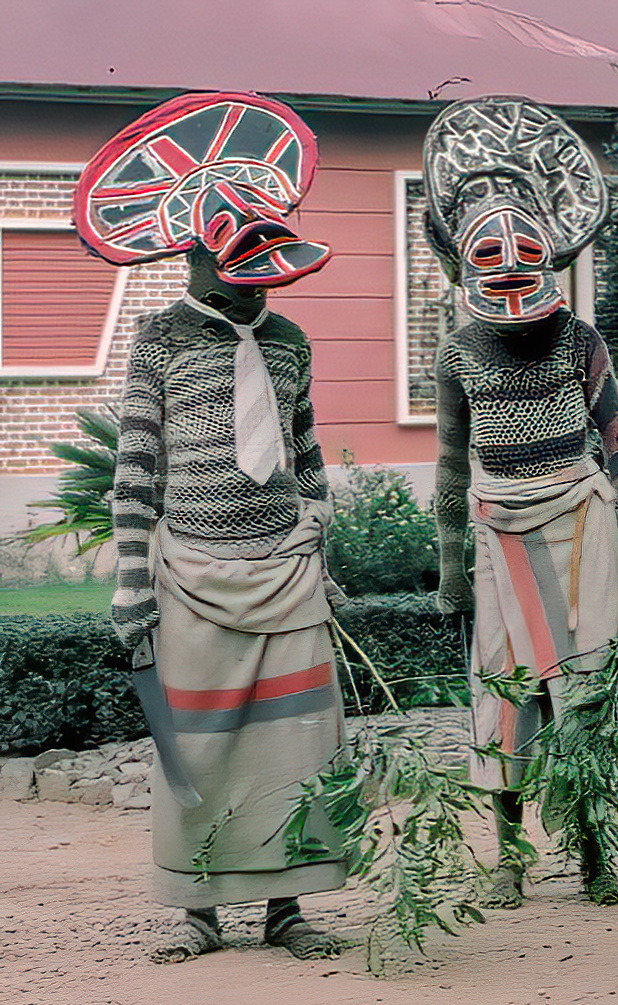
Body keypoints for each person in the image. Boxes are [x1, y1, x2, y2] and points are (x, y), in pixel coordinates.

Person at [76, 92, 350, 961]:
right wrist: (130, 584)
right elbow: (135, 469)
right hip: (190, 572)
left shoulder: (293, 342)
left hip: (286, 573)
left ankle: (287, 909)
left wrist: (322, 547)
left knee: (296, 747)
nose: (254, 278)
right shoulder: (158, 340)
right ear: (196, 256)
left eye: (267, 265)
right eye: (240, 263)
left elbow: (305, 456)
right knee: (198, 748)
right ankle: (198, 911)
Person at [424, 96, 618, 907]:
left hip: (582, 522)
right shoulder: (457, 352)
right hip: (499, 531)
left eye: (524, 246)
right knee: (506, 695)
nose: (508, 260)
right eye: (488, 249)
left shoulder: (581, 339)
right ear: (461, 262)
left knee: (587, 690)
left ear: (552, 253)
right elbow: (452, 469)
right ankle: (512, 858)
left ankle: (596, 852)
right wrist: (452, 563)